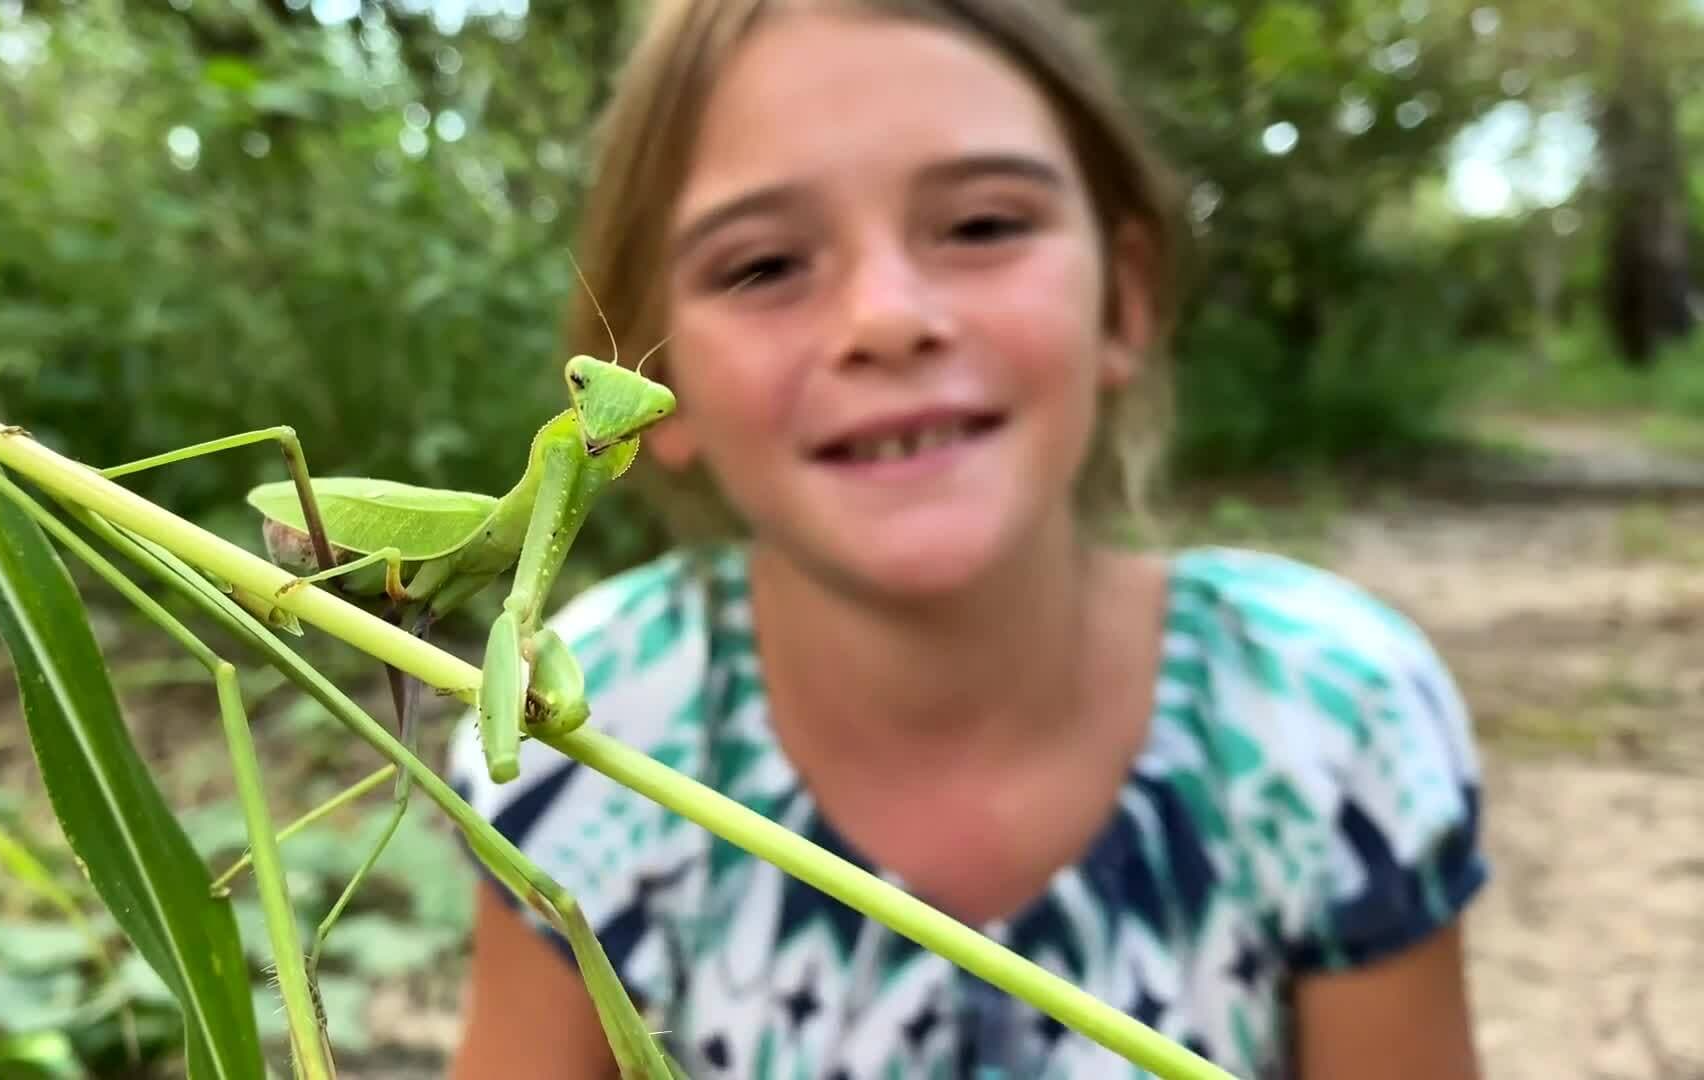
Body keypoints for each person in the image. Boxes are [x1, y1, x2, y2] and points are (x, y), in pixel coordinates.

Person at [444, 1, 1491, 1076]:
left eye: (985, 225)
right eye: (761, 265)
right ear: (665, 390)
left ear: (1124, 302)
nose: (885, 318)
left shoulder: (1331, 714)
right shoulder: (593, 737)